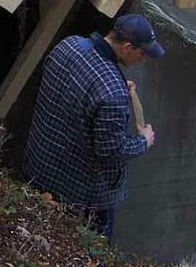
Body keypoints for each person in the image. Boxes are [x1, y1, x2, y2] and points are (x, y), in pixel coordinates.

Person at [22, 13, 163, 240]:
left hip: (38, 167)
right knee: (92, 253)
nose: (143, 59)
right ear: (127, 47)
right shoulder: (111, 94)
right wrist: (143, 141)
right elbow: (111, 151)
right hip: (80, 196)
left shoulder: (68, 46)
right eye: (143, 53)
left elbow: (70, 87)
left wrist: (116, 85)